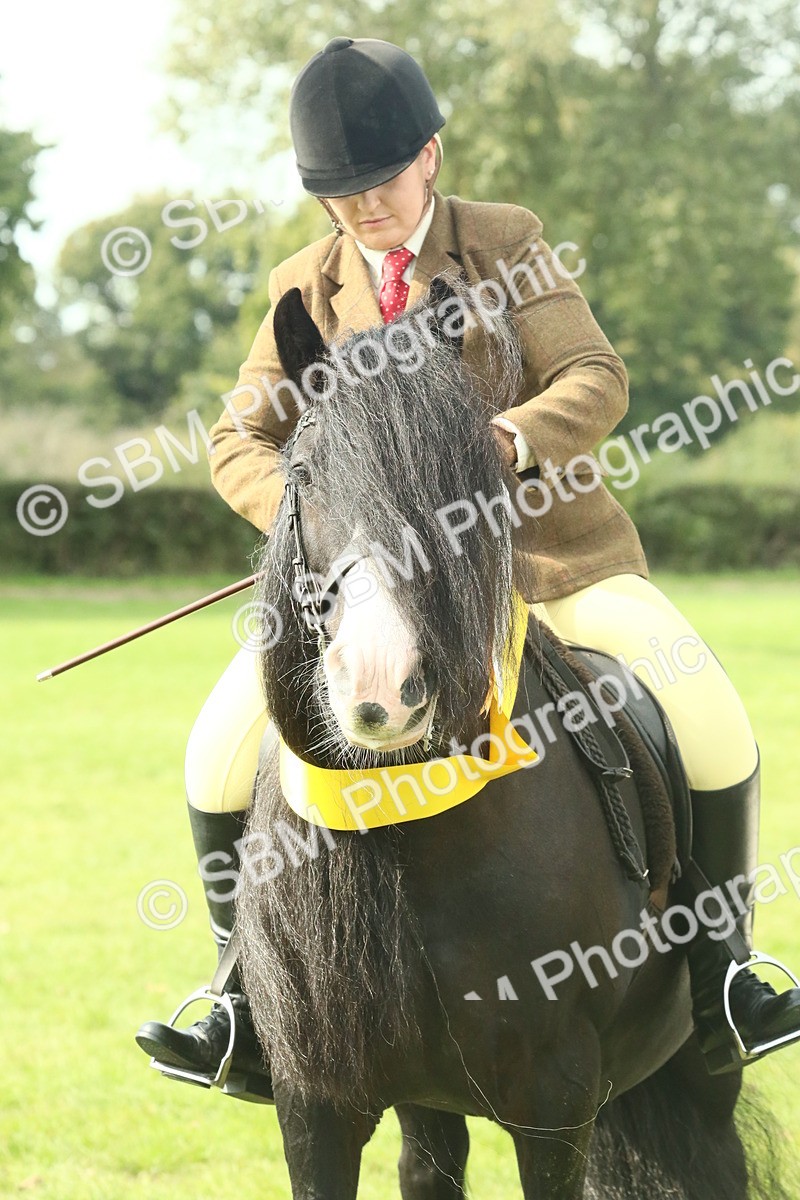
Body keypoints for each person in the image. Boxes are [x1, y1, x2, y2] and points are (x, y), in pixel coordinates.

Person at [136, 36, 800, 1090]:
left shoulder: (507, 243)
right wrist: (320, 522)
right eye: (338, 193)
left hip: (550, 562)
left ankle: (725, 977)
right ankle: (241, 998)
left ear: (431, 156)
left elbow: (594, 373)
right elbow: (235, 442)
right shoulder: (301, 288)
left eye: (379, 181)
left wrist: (505, 442)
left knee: (709, 712)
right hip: (374, 589)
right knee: (216, 749)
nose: (361, 209)